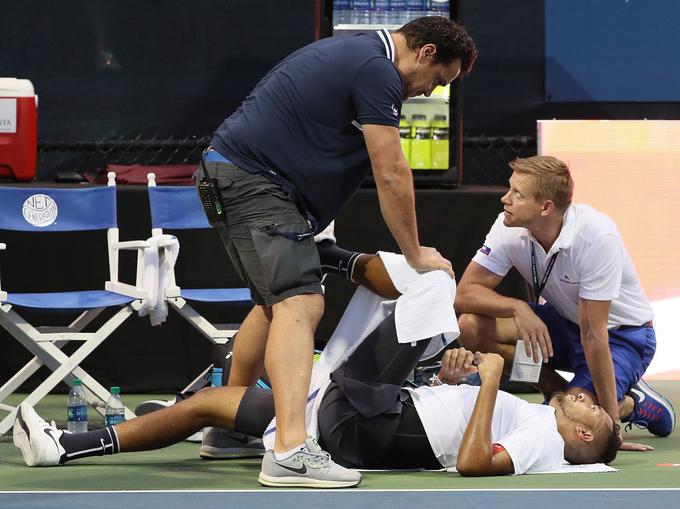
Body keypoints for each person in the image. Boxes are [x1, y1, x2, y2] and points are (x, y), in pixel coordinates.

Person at [199, 16, 476, 486]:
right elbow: (391, 171)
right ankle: (289, 451)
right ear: (426, 53)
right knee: (300, 302)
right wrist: (414, 253)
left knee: (273, 306)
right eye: (438, 80)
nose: (430, 93)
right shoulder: (378, 70)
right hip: (256, 184)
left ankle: (228, 428)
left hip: (241, 179)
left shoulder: (361, 56)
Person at [13, 334, 619, 480]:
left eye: (594, 413)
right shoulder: (542, 417)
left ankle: (327, 262)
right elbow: (470, 428)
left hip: (377, 424)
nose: (585, 400)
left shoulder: (546, 438)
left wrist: (487, 382)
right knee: (209, 405)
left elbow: (471, 463)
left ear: (587, 438)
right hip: (385, 413)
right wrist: (458, 378)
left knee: (289, 315)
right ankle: (65, 447)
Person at [453, 155, 675, 449]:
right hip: (562, 324)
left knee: (569, 430)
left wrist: (610, 425)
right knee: (470, 326)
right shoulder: (506, 225)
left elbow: (594, 335)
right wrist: (517, 308)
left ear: (545, 207)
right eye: (509, 189)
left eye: (517, 194)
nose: (505, 199)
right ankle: (553, 389)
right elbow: (465, 293)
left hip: (622, 338)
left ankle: (631, 403)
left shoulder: (595, 236)